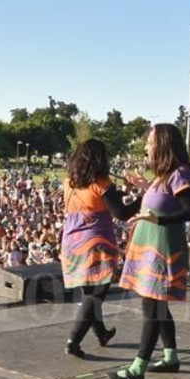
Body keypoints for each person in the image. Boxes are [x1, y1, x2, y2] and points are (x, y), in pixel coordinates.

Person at [110, 124, 190, 379]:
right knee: (156, 305)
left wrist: (159, 219)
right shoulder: (164, 175)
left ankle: (137, 369)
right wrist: (146, 186)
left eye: (149, 142)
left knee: (153, 307)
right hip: (148, 248)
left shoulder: (181, 173)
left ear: (162, 144)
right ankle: (170, 357)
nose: (146, 147)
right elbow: (164, 199)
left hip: (161, 250)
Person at [59, 139, 138, 358]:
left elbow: (98, 201)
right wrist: (142, 199)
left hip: (72, 242)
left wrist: (123, 192)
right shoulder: (101, 183)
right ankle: (73, 341)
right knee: (96, 295)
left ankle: (101, 333)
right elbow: (120, 213)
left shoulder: (69, 183)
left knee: (88, 293)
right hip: (96, 244)